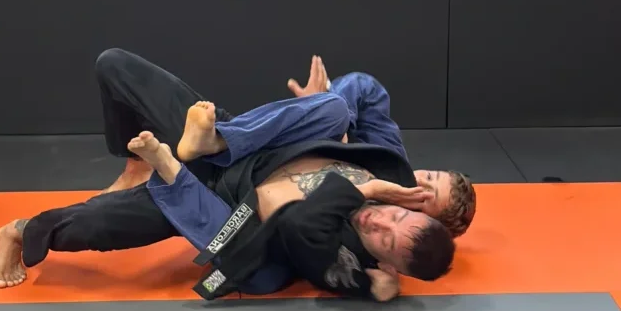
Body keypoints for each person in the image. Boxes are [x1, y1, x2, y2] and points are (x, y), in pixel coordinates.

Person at [0, 92, 456, 300]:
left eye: (387, 239)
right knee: (114, 64)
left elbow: (296, 223)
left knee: (98, 226)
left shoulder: (353, 265)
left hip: (217, 207)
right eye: (398, 218)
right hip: (239, 151)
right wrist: (326, 93)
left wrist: (364, 194)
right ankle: (171, 154)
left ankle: (18, 232)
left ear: (388, 265)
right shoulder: (394, 175)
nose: (381, 221)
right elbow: (369, 95)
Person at [98, 50, 476, 237]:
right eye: (430, 177)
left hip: (223, 195)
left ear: (424, 226)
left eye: (426, 198)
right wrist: (324, 107)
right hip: (238, 142)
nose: (417, 184)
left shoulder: (376, 234)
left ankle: (204, 147)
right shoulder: (391, 159)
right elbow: (367, 88)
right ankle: (144, 162)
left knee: (90, 221)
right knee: (112, 64)